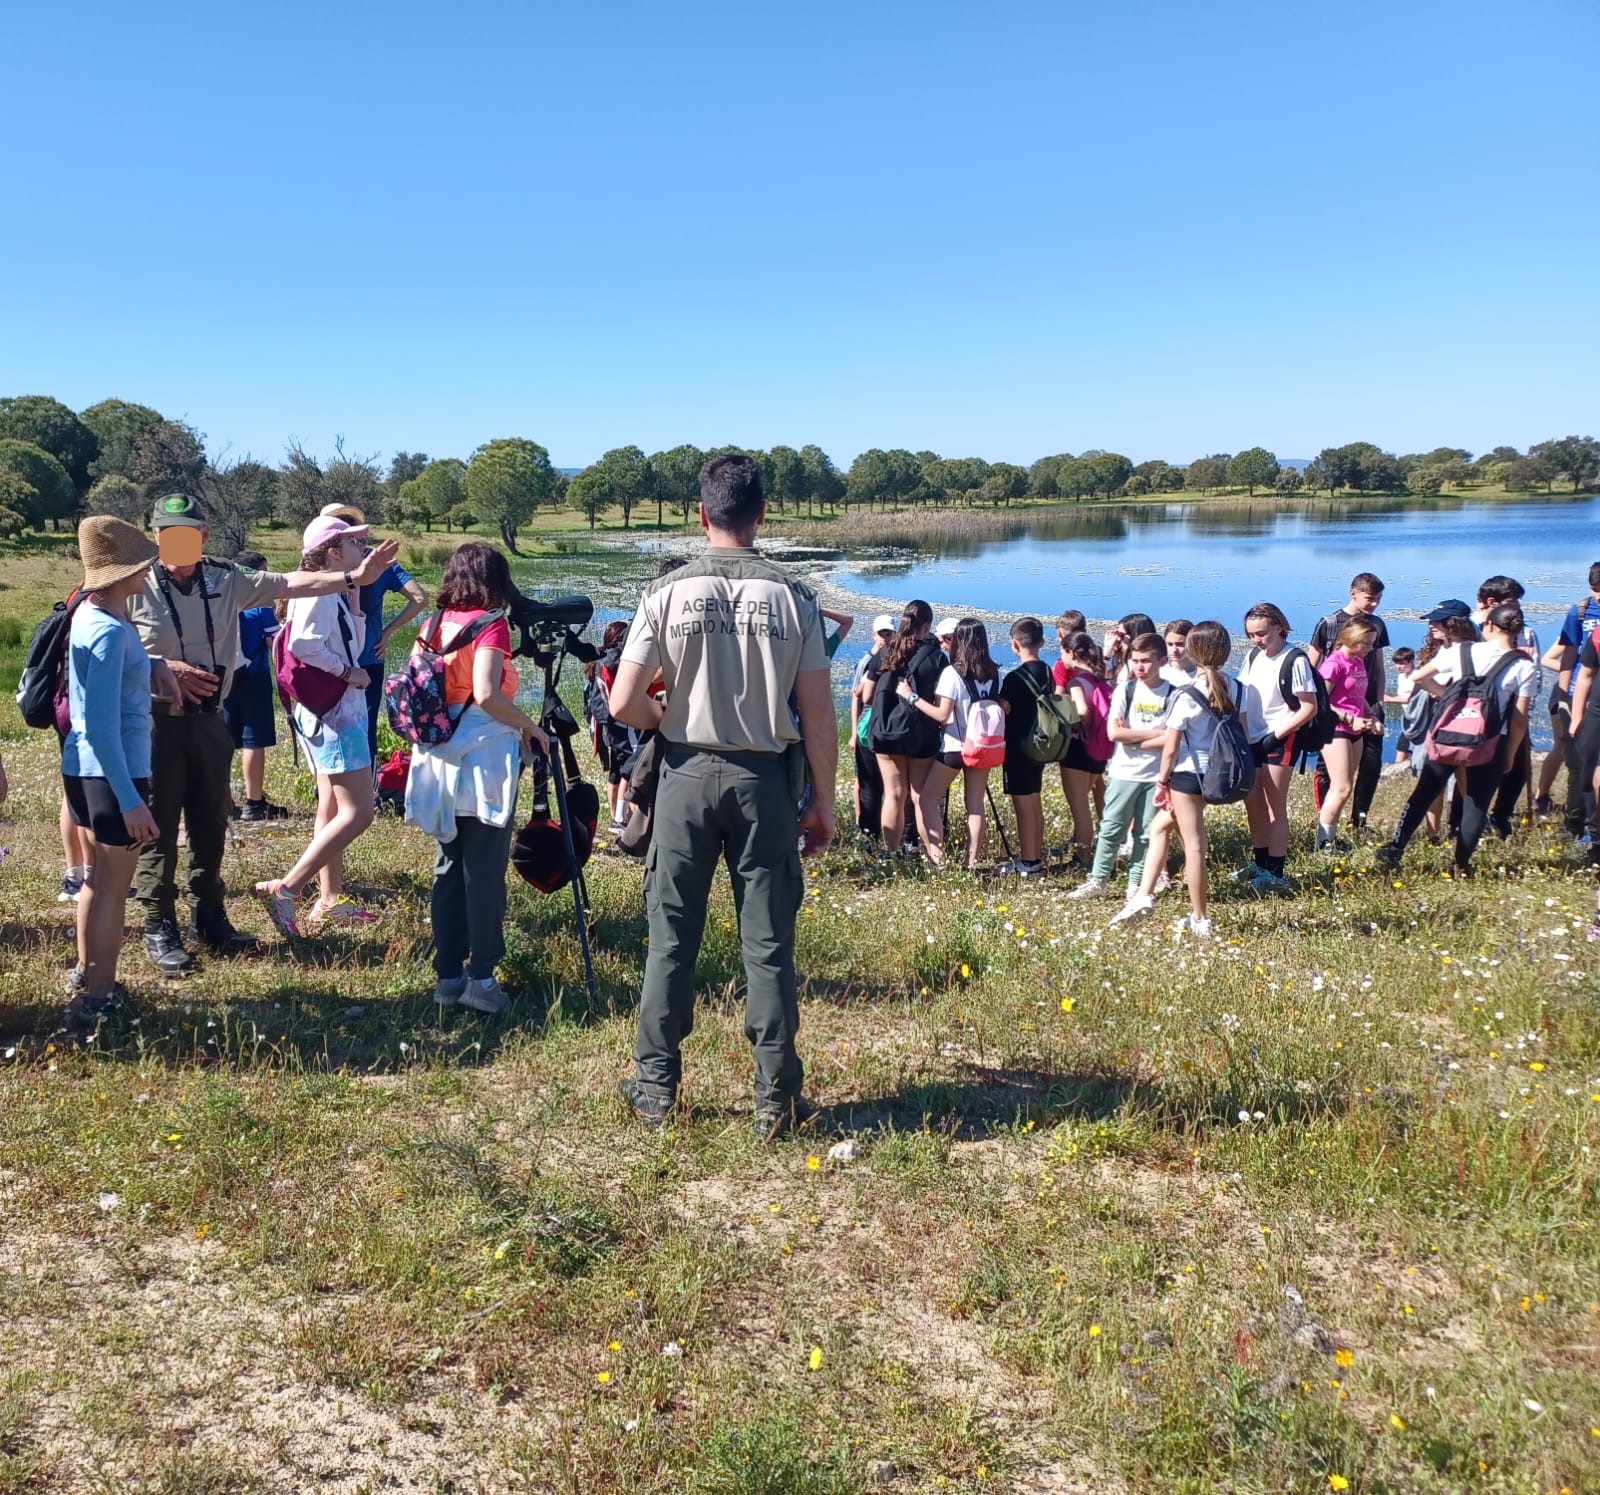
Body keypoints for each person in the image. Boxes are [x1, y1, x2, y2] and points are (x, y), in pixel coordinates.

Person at [609, 454, 835, 1138]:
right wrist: (825, 799)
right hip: (763, 781)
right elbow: (819, 715)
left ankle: (656, 1084)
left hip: (683, 773)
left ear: (701, 514)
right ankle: (775, 1096)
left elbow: (622, 701)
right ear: (762, 514)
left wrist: (664, 716)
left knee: (670, 935)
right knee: (767, 941)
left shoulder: (668, 592)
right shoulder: (795, 596)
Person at [128, 493, 400, 973]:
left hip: (210, 721)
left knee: (212, 823)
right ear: (154, 536)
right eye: (167, 535)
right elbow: (104, 642)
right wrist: (158, 665)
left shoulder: (225, 579)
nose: (177, 545)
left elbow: (292, 583)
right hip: (158, 723)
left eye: (187, 534)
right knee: (161, 828)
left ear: (204, 534)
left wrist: (355, 579)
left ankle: (209, 918)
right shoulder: (135, 583)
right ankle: (159, 925)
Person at [405, 541, 551, 1015]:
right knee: (484, 872)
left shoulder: (432, 625)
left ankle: (448, 975)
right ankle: (482, 977)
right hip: (482, 758)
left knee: (449, 866)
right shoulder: (491, 625)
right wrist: (530, 727)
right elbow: (487, 694)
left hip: (437, 754)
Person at [58, 519, 172, 1020]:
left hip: (85, 769)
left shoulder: (90, 612)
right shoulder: (105, 630)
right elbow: (102, 725)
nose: (149, 570)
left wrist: (152, 668)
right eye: (142, 563)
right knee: (112, 889)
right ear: (121, 572)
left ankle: (88, 974)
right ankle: (98, 999)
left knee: (95, 881)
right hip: (111, 771)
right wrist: (130, 799)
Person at [253, 515, 386, 934]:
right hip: (336, 714)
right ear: (332, 552)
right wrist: (348, 675)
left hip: (328, 712)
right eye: (353, 543)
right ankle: (288, 889)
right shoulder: (319, 595)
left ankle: (329, 899)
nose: (361, 550)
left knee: (331, 806)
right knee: (360, 811)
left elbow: (352, 645)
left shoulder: (333, 591)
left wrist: (359, 594)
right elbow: (303, 645)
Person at [1378, 603, 1535, 877]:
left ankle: (1395, 847)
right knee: (1476, 804)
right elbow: (1520, 718)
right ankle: (1460, 865)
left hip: (1449, 736)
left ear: (1489, 626)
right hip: (1489, 742)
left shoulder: (1463, 650)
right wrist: (1509, 752)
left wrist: (1445, 695)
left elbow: (1418, 677)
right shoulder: (1523, 665)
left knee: (1424, 792)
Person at [1115, 621, 1244, 938]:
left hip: (1187, 776)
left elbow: (1171, 748)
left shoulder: (1186, 694)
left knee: (1194, 847)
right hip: (1218, 775)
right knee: (1158, 827)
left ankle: (1199, 918)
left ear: (1193, 652)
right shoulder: (1239, 688)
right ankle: (1143, 896)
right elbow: (1244, 733)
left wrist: (1161, 782)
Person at [318, 503, 429, 772]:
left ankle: (331, 787)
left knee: (328, 724)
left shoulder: (318, 564)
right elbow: (420, 598)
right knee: (364, 725)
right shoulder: (380, 562)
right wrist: (387, 632)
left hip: (329, 659)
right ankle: (369, 788)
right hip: (369, 656)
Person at [1069, 631, 1172, 904]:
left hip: (1156, 774)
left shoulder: (1172, 694)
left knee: (1146, 833)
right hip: (1124, 771)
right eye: (1135, 661)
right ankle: (1098, 880)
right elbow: (1115, 733)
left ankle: (1136, 884)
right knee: (1112, 827)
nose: (1140, 667)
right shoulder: (1125, 690)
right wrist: (1154, 734)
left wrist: (1136, 736)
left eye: (1146, 661)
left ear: (1162, 661)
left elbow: (1174, 738)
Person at [895, 617, 1001, 870]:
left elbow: (942, 715)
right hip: (982, 747)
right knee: (975, 806)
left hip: (955, 747)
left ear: (959, 640)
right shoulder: (994, 672)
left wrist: (911, 697)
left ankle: (937, 858)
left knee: (927, 799)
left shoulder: (953, 673)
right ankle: (972, 861)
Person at [1237, 602, 1318, 892]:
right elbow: (1244, 696)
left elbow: (1309, 707)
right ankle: (1259, 865)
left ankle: (1276, 873)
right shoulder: (1252, 656)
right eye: (1251, 635)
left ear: (1278, 627)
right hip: (1252, 738)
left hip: (1280, 738)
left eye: (1262, 633)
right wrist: (1243, 736)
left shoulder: (1294, 659)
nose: (1257, 640)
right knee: (1253, 803)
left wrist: (1276, 735)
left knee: (1275, 806)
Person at [860, 600, 945, 858]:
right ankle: (932, 856)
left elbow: (866, 697)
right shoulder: (937, 658)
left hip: (886, 733)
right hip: (921, 734)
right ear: (927, 626)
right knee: (921, 797)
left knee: (894, 794)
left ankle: (891, 853)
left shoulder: (884, 654)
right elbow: (941, 703)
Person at [1308, 573, 1388, 831]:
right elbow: (1313, 669)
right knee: (1333, 779)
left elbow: (1378, 666)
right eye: (1370, 598)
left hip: (1363, 706)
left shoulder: (1374, 627)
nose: (1374, 604)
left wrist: (1378, 707)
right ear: (1353, 593)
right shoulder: (1330, 624)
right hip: (1336, 719)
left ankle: (1357, 822)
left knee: (1368, 768)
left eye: (1379, 599)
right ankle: (1324, 828)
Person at [222, 549, 289, 822]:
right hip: (254, 676)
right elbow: (274, 643)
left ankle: (222, 802)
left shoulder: (221, 598)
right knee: (253, 741)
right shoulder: (259, 605)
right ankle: (254, 801)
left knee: (223, 741)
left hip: (223, 676)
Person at [1472, 577, 1541, 837]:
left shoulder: (1525, 632)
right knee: (1477, 769)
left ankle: (1500, 816)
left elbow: (1534, 673)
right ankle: (1468, 821)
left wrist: (1525, 706)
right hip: (1480, 714)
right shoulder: (1473, 630)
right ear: (1492, 603)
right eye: (1512, 602)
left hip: (1515, 711)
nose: (1518, 608)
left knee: (1517, 769)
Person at [1537, 562, 1600, 827]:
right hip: (1579, 695)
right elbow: (1567, 657)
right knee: (1577, 761)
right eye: (1595, 589)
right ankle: (1576, 821)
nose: (1598, 595)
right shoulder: (1581, 611)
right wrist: (1564, 699)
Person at [1314, 617, 1381, 850]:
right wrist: (1349, 717)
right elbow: (1322, 702)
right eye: (1368, 643)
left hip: (1356, 730)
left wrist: (1371, 715)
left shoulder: (1358, 661)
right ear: (1353, 640)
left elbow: (1358, 695)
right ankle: (1322, 844)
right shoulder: (1334, 664)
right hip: (1336, 730)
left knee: (1344, 787)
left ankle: (1330, 838)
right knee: (1341, 788)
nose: (1372, 648)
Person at [997, 616, 1053, 877]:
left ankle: (1029, 862)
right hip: (1041, 746)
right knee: (1034, 801)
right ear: (1041, 642)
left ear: (1014, 645)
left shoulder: (1013, 679)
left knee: (1023, 806)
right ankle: (1036, 856)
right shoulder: (1048, 672)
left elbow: (1003, 711)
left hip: (1018, 748)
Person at [1056, 631, 1111, 867]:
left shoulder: (1076, 681)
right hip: (1098, 750)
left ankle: (1082, 857)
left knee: (1079, 807)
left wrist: (1076, 725)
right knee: (1085, 802)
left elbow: (1082, 710)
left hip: (1078, 749)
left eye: (1062, 652)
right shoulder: (1100, 676)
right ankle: (1090, 853)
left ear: (1070, 653)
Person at [851, 615, 895, 838]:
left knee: (881, 783)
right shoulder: (868, 662)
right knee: (866, 782)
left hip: (879, 730)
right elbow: (857, 697)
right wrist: (852, 733)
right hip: (866, 729)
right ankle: (865, 827)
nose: (886, 638)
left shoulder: (894, 659)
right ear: (873, 634)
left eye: (890, 633)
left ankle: (874, 828)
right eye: (882, 634)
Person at [1387, 647, 1418, 766]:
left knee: (1413, 749)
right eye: (1396, 663)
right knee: (1401, 748)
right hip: (1408, 718)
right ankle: (1399, 771)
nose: (1398, 667)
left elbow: (1413, 699)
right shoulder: (1401, 677)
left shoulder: (1416, 676)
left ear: (1411, 662)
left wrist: (1389, 699)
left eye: (1402, 664)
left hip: (1418, 720)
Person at [1161, 620, 1195, 685]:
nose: (1174, 650)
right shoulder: (1159, 674)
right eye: (1170, 644)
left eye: (1180, 644)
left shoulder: (1204, 675)